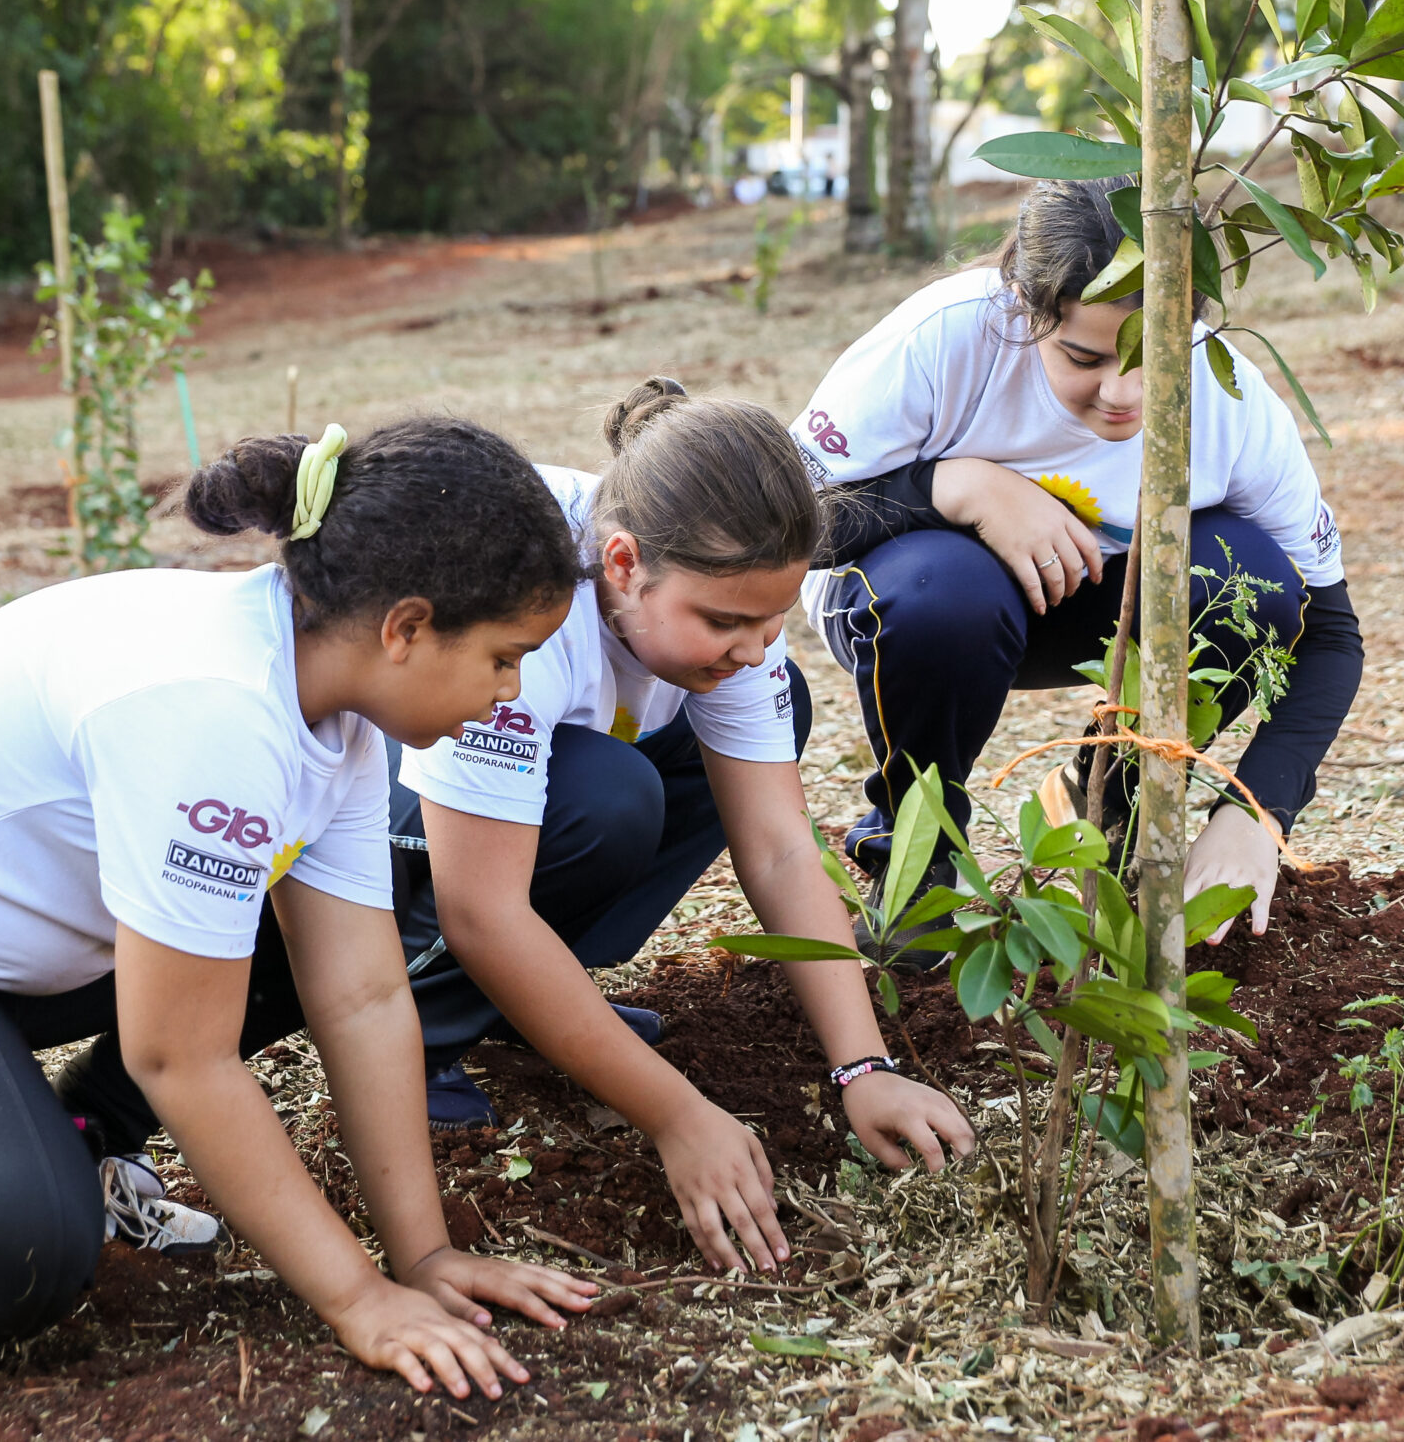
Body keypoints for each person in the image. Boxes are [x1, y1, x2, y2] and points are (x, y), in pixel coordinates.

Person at [0, 419, 597, 1393]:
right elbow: (183, 1055)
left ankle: (58, 1138)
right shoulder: (210, 708)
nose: (512, 694)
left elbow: (362, 994)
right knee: (9, 1256)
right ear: (406, 627)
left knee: (308, 940)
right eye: (505, 657)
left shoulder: (337, 717)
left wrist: (421, 1262)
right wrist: (357, 1298)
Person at [392, 379, 977, 1275]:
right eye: (725, 621)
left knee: (760, 728)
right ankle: (422, 1032)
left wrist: (864, 1066)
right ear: (622, 565)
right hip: (384, 812)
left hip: (534, 797)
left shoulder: (718, 589)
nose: (752, 646)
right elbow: (482, 908)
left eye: (771, 620)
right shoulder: (520, 604)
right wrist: (676, 1114)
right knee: (609, 795)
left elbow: (779, 846)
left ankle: (527, 1003)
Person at [792, 176, 1365, 951]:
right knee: (946, 592)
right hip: (908, 599)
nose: (1122, 392)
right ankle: (916, 869)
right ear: (1027, 309)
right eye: (1084, 356)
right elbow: (784, 524)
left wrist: (1256, 810)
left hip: (1096, 603)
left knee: (1251, 580)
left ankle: (1105, 801)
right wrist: (953, 485)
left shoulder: (1232, 401)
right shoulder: (945, 337)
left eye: (1154, 354)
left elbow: (1327, 632)